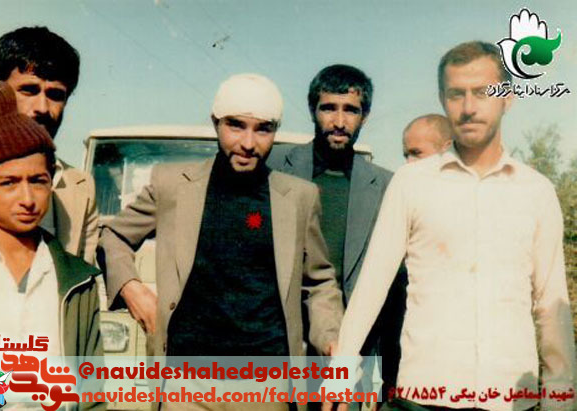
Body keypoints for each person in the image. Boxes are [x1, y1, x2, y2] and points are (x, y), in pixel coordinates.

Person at [332, 41, 576, 411]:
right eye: (456, 94)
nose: (469, 107)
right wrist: (340, 375)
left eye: (483, 92)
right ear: (443, 100)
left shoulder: (536, 191)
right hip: (423, 397)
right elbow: (371, 286)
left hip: (510, 399)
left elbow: (551, 303)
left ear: (507, 98)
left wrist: (561, 399)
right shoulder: (411, 182)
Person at [99, 73, 344, 410]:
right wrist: (132, 289)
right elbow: (113, 236)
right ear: (215, 122)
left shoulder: (299, 197)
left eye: (263, 129)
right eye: (236, 126)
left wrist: (332, 340)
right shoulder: (173, 185)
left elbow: (318, 281)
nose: (248, 143)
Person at [268, 64, 407, 403]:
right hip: (277, 346)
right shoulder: (273, 166)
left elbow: (395, 287)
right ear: (312, 110)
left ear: (365, 115)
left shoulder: (387, 186)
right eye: (329, 108)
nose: (340, 121)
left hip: (349, 356)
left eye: (351, 110)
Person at [0, 80, 102, 366]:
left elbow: (91, 383)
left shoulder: (79, 280)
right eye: (9, 183)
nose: (27, 199)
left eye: (37, 181)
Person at [0, 26, 98, 263]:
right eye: (29, 90)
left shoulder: (80, 187)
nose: (42, 108)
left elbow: (86, 278)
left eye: (55, 95)